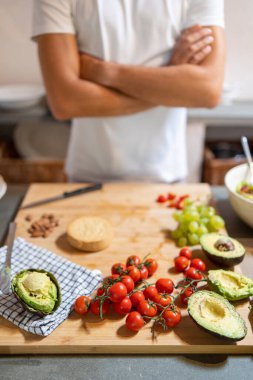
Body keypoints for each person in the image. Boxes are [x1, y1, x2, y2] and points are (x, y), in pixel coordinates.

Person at [32, 0, 225, 183]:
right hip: (87, 178)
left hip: (167, 178)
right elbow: (65, 102)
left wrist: (105, 71)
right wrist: (168, 81)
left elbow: (208, 90)